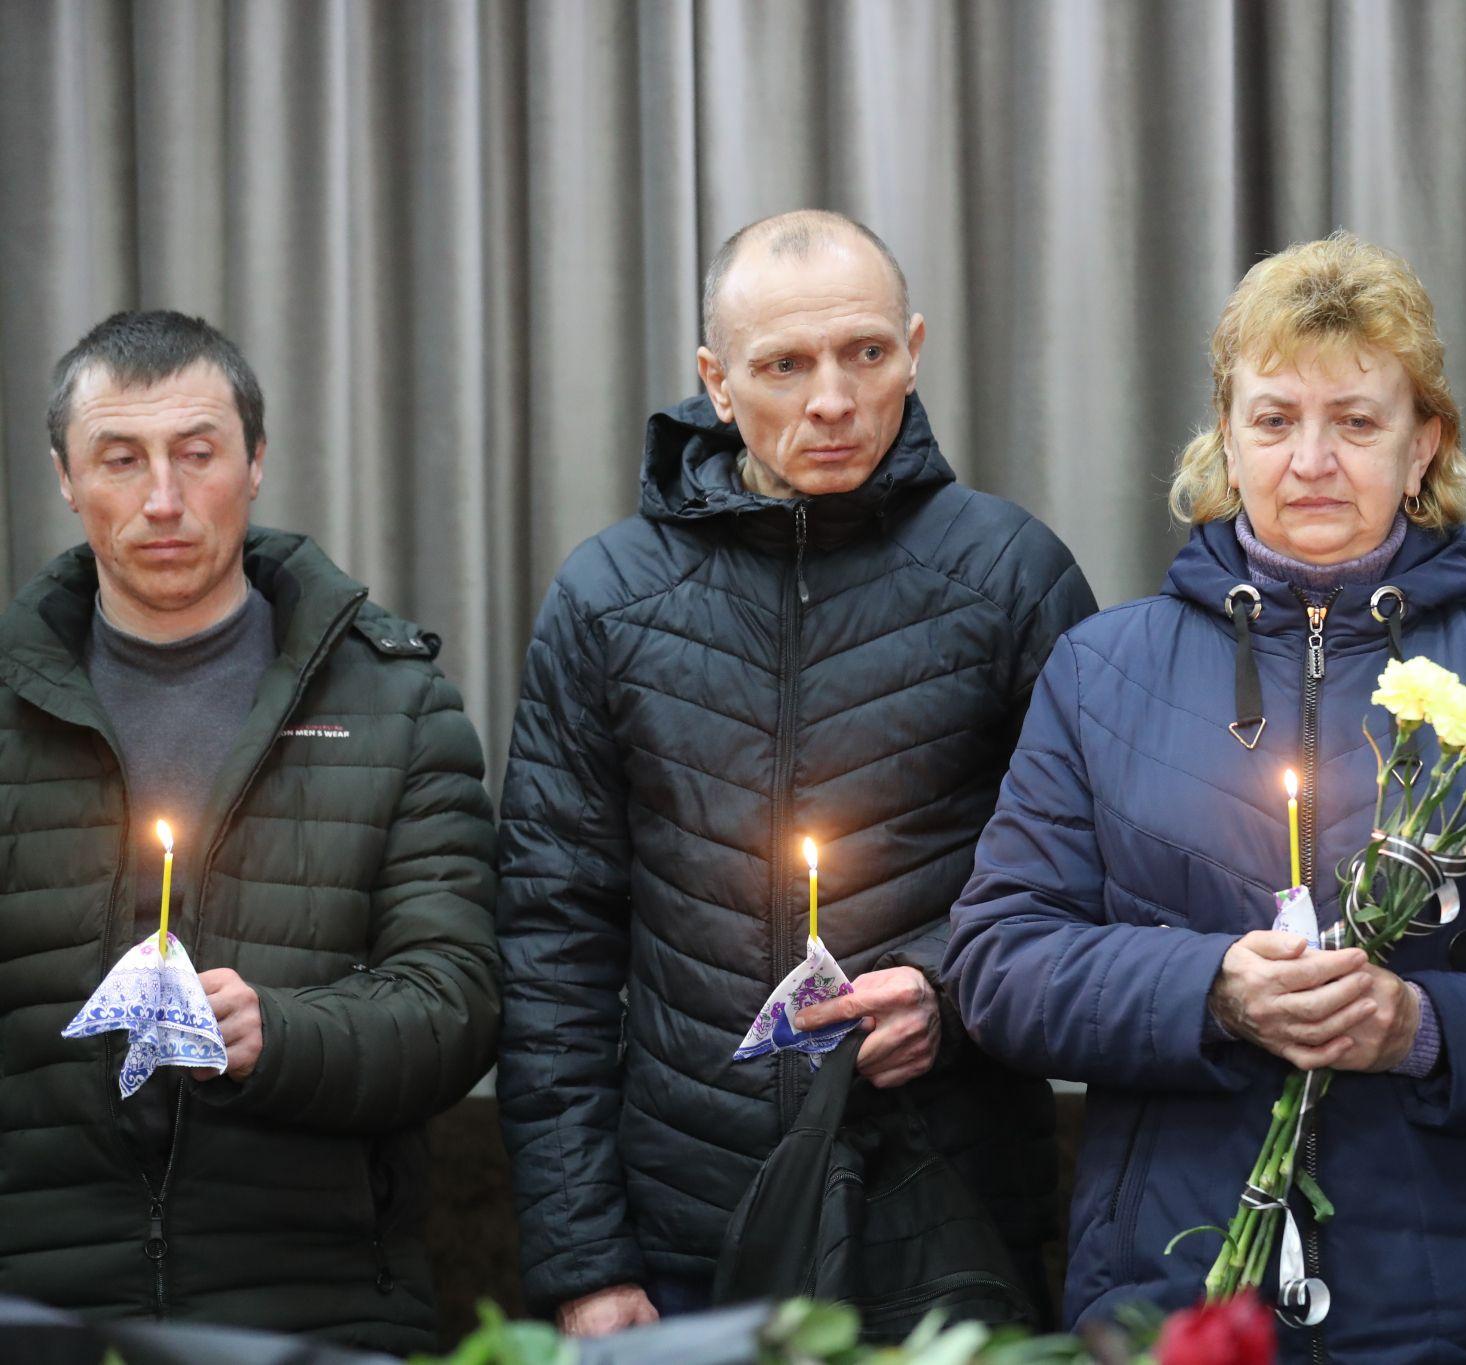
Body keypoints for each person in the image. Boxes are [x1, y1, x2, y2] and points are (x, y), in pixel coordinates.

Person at [943, 233, 1466, 1361]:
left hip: (1448, 1296)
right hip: (1167, 1297)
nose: (1311, 459)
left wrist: (1420, 1029)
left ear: (1425, 445)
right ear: (1225, 437)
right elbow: (998, 965)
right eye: (1273, 420)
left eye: (1356, 423)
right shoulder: (1100, 669)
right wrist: (1210, 988)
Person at [496, 210, 1096, 1335]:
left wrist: (949, 996)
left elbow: (1084, 883)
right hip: (685, 1231)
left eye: (865, 353)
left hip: (943, 1211)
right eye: (784, 365)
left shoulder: (1014, 575)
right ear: (717, 383)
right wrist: (584, 1259)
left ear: (913, 348)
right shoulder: (606, 597)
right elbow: (550, 941)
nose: (831, 399)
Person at [0, 311, 500, 1351]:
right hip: (42, 1305)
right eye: (121, 460)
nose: (164, 500)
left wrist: (282, 1033)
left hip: (316, 1304)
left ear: (257, 460)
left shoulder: (396, 706)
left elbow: (458, 1001)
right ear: (63, 476)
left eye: (198, 454)